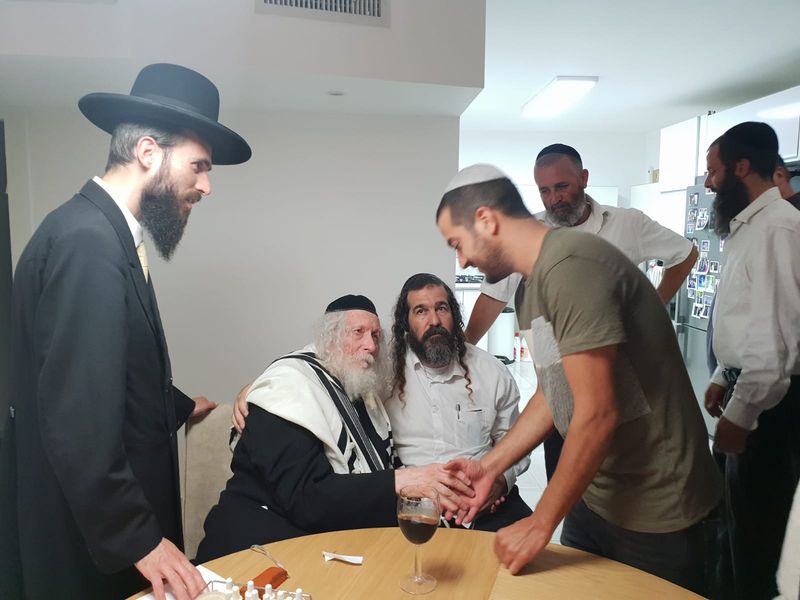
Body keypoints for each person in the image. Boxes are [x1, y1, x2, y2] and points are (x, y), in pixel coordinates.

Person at [8, 63, 251, 600]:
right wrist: (139, 538)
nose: (206, 186)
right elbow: (76, 418)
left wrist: (179, 405)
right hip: (87, 555)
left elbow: (106, 369)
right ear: (147, 152)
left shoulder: (103, 233)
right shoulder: (88, 244)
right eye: (199, 166)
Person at [435, 163, 722, 595]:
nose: (462, 261)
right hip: (596, 500)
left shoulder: (571, 264)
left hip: (660, 507)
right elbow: (555, 393)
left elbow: (597, 413)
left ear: (486, 220)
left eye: (457, 244)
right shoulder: (530, 289)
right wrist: (489, 466)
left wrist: (540, 522)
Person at [464, 144, 697, 481]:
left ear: (584, 178)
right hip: (556, 391)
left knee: (622, 480)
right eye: (544, 191)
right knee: (565, 478)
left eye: (562, 187)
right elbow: (493, 298)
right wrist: (463, 350)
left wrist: (653, 308)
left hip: (620, 381)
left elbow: (685, 254)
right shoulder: (526, 234)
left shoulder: (626, 224)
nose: (554, 199)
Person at [196, 295, 473, 563]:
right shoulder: (288, 387)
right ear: (330, 337)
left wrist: (436, 495)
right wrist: (402, 480)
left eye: (376, 336)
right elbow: (305, 499)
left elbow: (385, 467)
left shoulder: (362, 393)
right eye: (358, 332)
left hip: (324, 540)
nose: (371, 345)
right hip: (256, 546)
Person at [703, 122, 800, 599]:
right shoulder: (748, 227)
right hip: (748, 387)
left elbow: (776, 341)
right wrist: (724, 375)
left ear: (741, 167)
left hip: (772, 405)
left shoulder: (779, 227)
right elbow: (746, 315)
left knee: (755, 537)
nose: (708, 183)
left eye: (714, 171)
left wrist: (741, 415)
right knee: (732, 525)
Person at [386, 273, 532, 531]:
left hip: (486, 502)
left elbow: (516, 441)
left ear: (454, 315)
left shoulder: (492, 372)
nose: (434, 321)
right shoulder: (384, 377)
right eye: (421, 311)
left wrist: (500, 481)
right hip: (416, 507)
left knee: (529, 546)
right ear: (405, 323)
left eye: (442, 308)